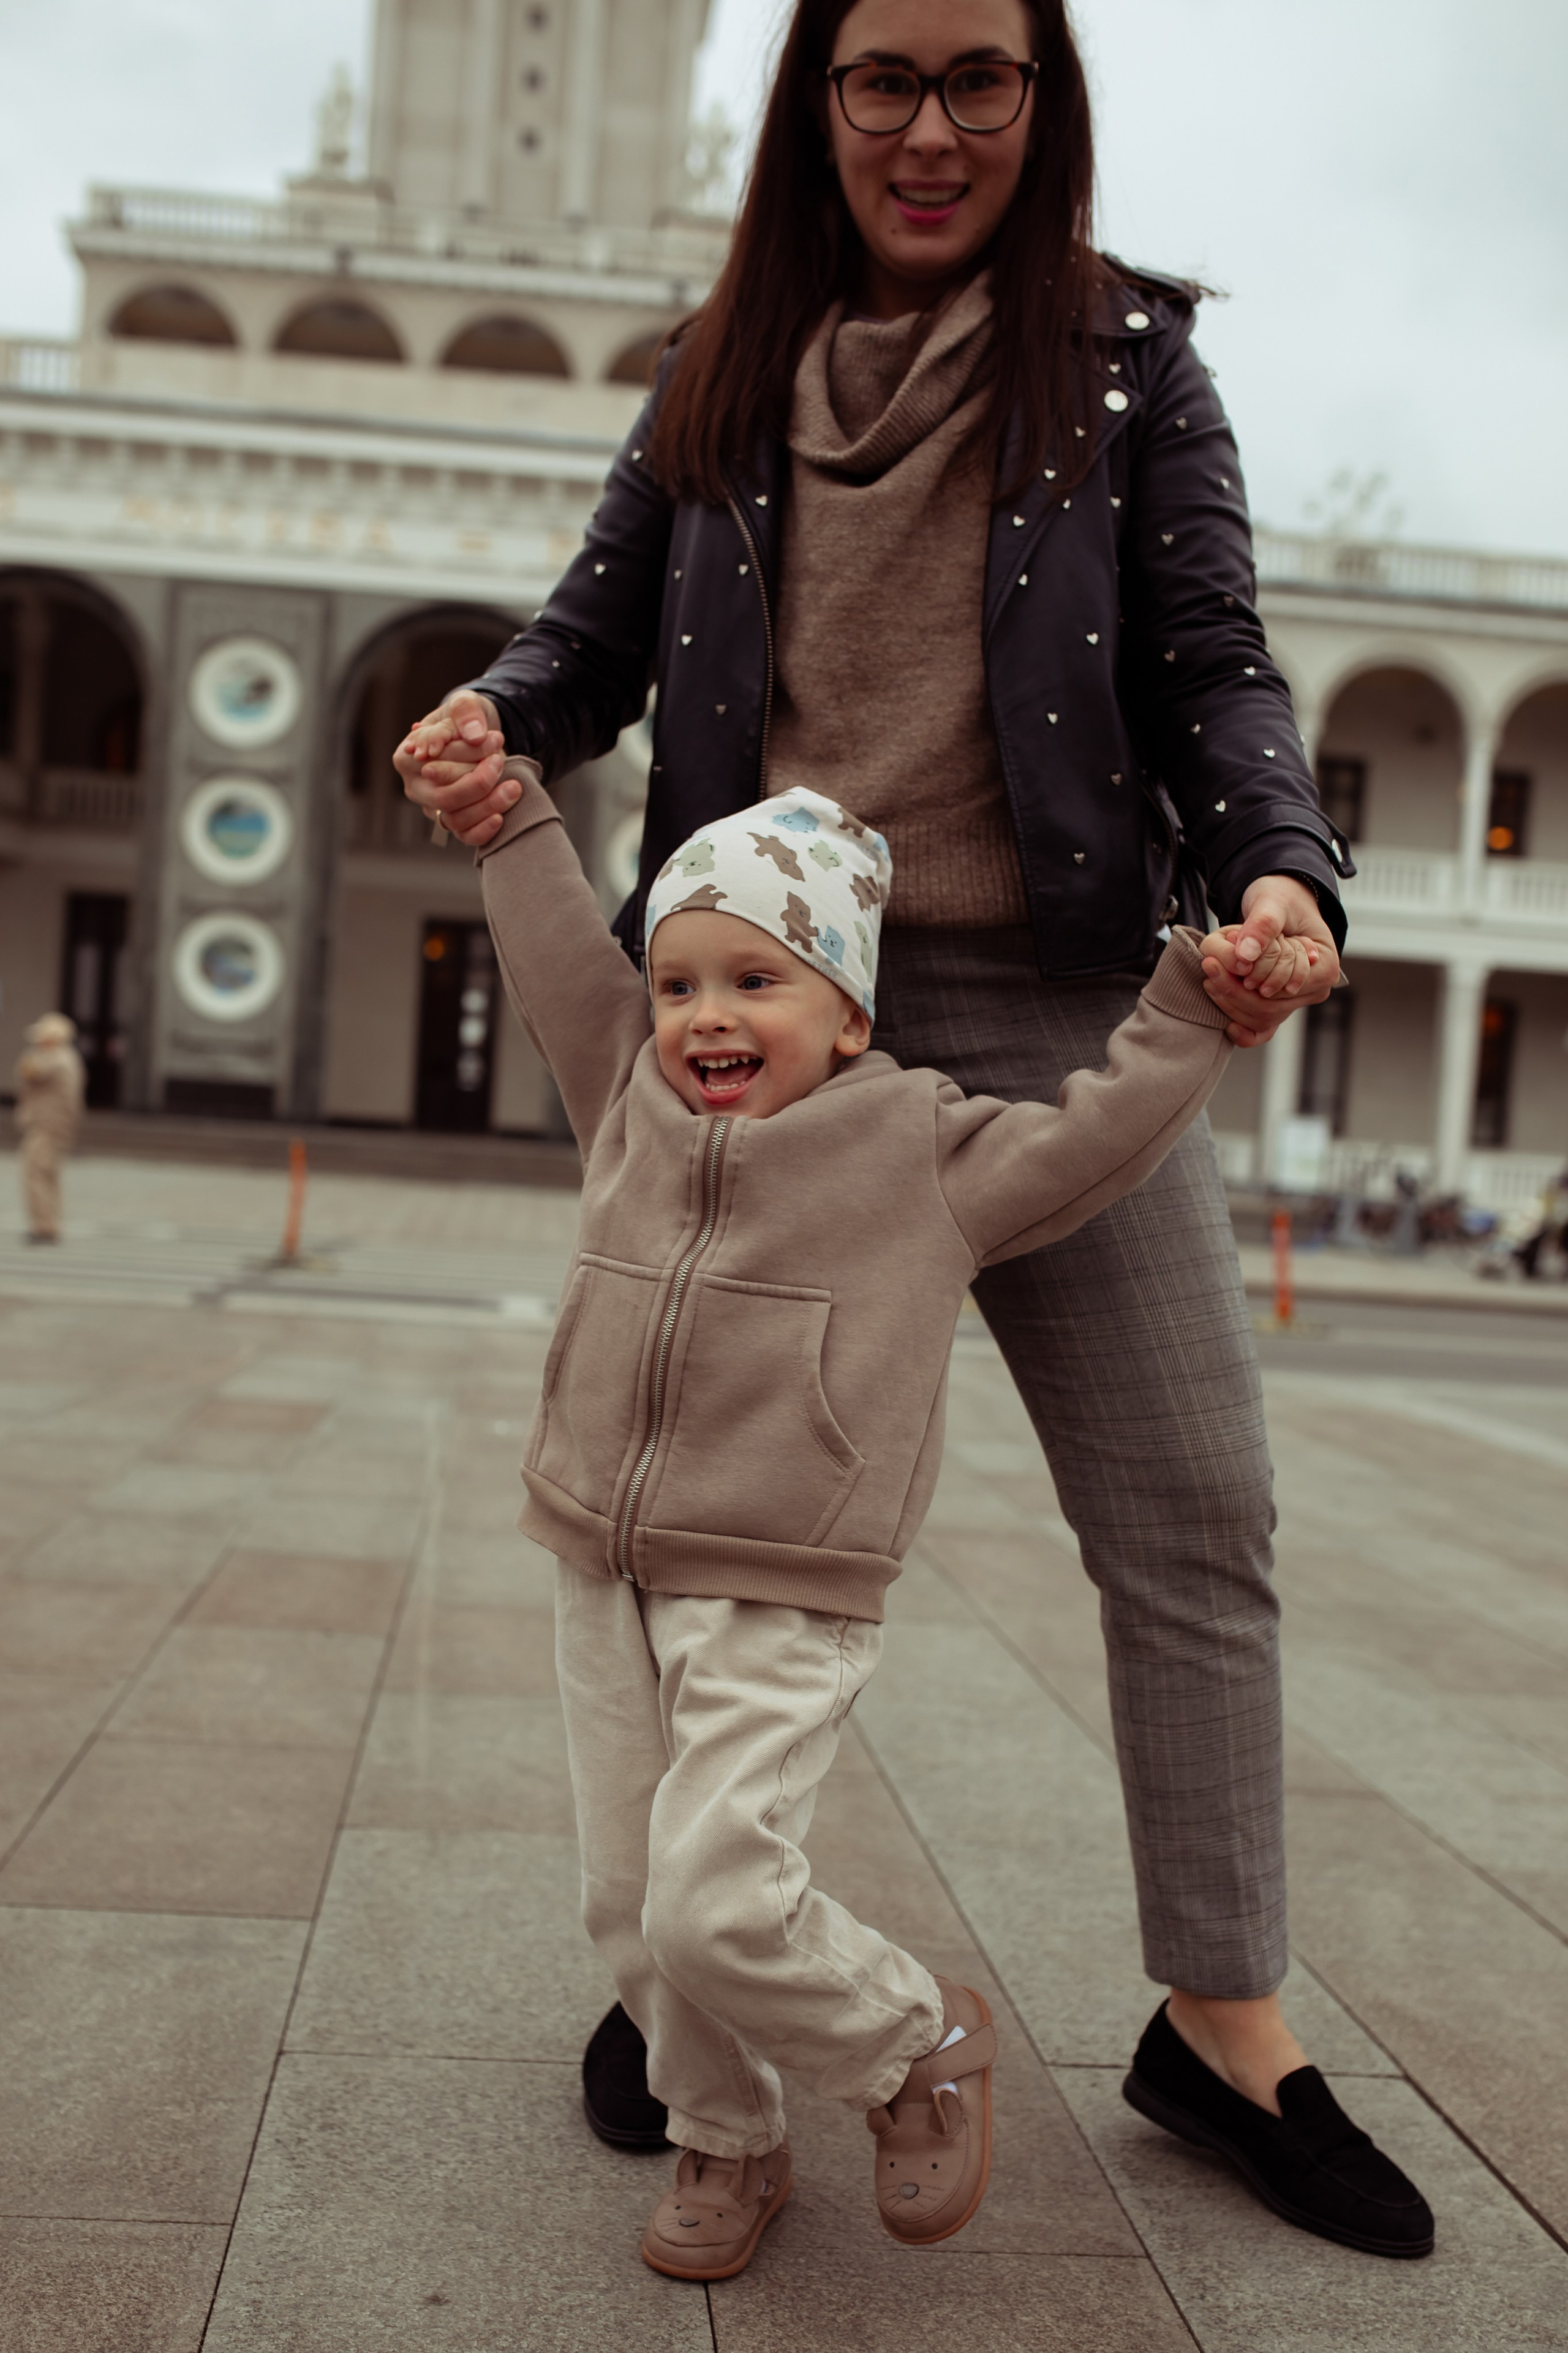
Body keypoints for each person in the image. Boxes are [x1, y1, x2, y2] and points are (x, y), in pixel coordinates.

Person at [398, 0, 1432, 2264]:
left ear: (1041, 104)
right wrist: (490, 712)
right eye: (884, 79)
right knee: (697, 1521)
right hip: (763, 1010)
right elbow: (583, 646)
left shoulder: (1124, 366)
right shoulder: (713, 365)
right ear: (814, 103)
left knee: (1190, 1510)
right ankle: (701, 1992)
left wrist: (1274, 861)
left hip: (1050, 989)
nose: (932, 126)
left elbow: (1208, 657)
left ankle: (1219, 2018)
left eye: (984, 78)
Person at [476, 764, 1274, 2278]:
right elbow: (559, 956)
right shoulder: (627, 1099)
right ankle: (727, 2137)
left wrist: (1193, 1004)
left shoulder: (917, 1145)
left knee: (719, 1894)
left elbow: (1097, 1135)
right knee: (633, 1906)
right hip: (600, 1560)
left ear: (845, 1008)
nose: (704, 1013)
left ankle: (916, 2038)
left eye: (754, 979)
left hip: (780, 1585)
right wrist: (505, 823)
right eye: (680, 982)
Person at [13, 1013, 86, 1245]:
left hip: (46, 1126)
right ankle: (49, 1223)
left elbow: (28, 1070)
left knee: (36, 1175)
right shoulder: (69, 1058)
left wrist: (34, 1053)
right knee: (49, 1176)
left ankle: (42, 1226)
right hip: (57, 1126)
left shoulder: (55, 1058)